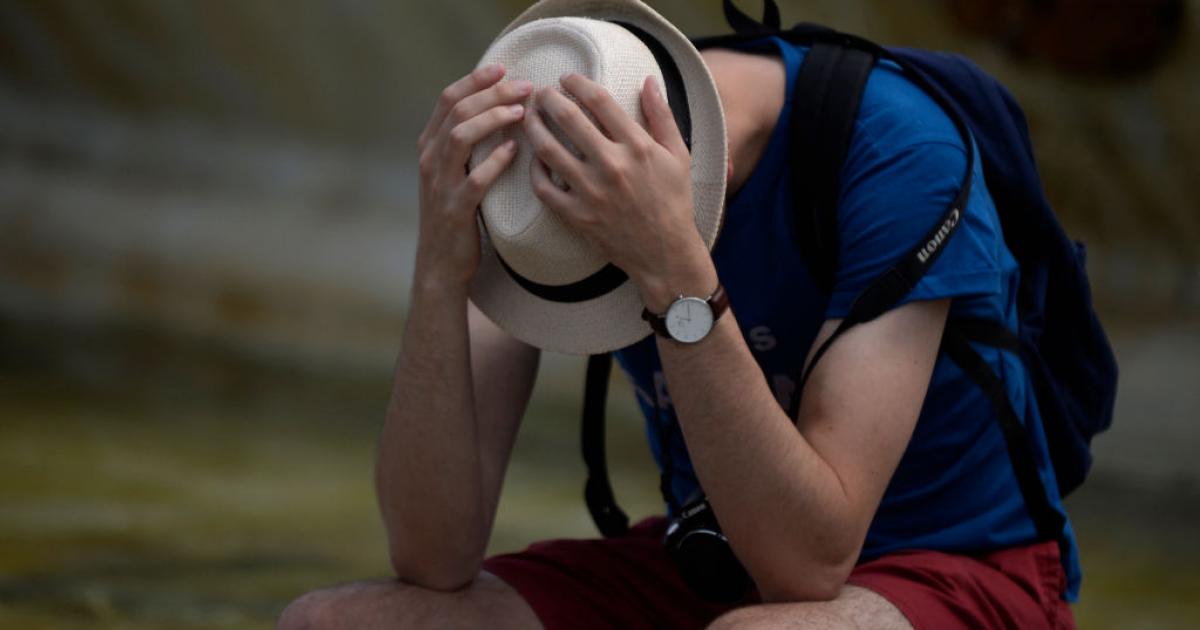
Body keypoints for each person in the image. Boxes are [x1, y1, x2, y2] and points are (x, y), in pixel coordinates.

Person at [278, 1, 1078, 628]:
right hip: (727, 548)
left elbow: (808, 567)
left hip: (960, 564)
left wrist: (671, 270)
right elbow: (432, 553)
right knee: (333, 621)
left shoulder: (895, 150)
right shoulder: (535, 166)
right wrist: (439, 272)